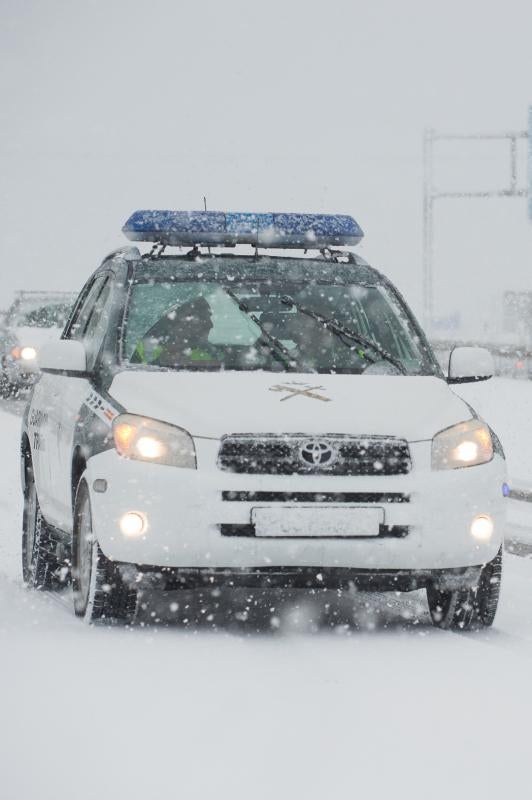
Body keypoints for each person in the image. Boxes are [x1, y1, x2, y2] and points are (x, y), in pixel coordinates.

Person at [133, 296, 221, 365]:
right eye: (202, 318)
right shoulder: (141, 348)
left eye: (208, 317)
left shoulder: (211, 353)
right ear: (176, 321)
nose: (210, 325)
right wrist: (160, 362)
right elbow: (130, 382)